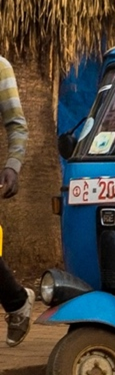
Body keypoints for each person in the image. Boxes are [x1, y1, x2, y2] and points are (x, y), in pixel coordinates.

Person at [0, 53, 33, 347]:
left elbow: (16, 123)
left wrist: (13, 164)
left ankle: (17, 302)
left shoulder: (0, 67)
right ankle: (16, 301)